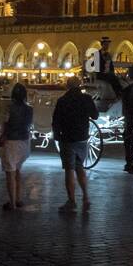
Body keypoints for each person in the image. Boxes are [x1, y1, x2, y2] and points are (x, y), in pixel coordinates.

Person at [51, 75, 97, 212]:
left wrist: (57, 136)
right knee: (79, 167)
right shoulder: (87, 99)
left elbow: (56, 121)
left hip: (67, 138)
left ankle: (71, 201)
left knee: (69, 170)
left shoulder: (62, 100)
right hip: (82, 137)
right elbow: (95, 116)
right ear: (80, 86)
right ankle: (86, 197)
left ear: (67, 86)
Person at [0, 83, 33, 210]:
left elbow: (4, 123)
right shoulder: (29, 109)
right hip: (24, 142)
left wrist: (1, 136)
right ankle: (18, 198)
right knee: (18, 171)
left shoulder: (8, 108)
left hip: (11, 142)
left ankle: (12, 203)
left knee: (10, 174)